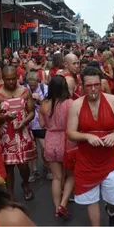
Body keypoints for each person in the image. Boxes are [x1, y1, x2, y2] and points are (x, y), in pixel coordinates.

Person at [67, 67, 114, 226]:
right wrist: (86, 136)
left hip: (110, 160)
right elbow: (70, 133)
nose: (93, 89)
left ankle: (111, 210)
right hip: (86, 161)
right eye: (89, 86)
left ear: (101, 83)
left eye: (96, 84)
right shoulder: (76, 105)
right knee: (91, 200)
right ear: (82, 86)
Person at [0, 66, 37, 201]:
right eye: (7, 80)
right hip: (6, 135)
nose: (11, 82)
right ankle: (10, 192)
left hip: (22, 132)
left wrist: (23, 122)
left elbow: (32, 112)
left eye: (13, 79)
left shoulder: (25, 92)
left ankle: (25, 183)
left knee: (24, 166)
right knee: (9, 167)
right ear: (3, 79)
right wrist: (4, 118)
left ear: (17, 78)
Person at [39, 75, 74, 217]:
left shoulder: (44, 104)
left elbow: (41, 124)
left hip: (50, 140)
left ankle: (56, 208)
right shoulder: (70, 103)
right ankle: (63, 204)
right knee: (71, 175)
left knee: (56, 177)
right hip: (67, 141)